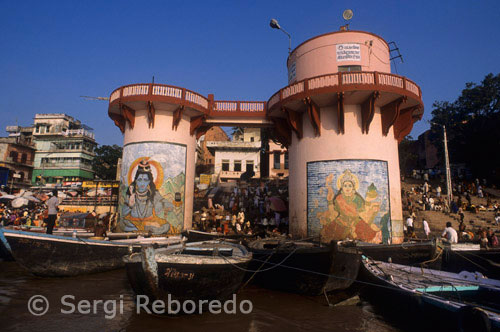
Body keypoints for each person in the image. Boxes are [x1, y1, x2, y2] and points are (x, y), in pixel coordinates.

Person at [122, 159, 173, 234]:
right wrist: (130, 205)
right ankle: (143, 229)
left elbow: (164, 202)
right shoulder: (130, 193)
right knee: (123, 224)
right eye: (139, 180)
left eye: (145, 180)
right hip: (133, 223)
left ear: (149, 181)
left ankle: (145, 229)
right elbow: (123, 213)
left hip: (150, 222)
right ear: (135, 181)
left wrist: (166, 205)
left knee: (167, 226)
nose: (142, 183)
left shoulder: (153, 193)